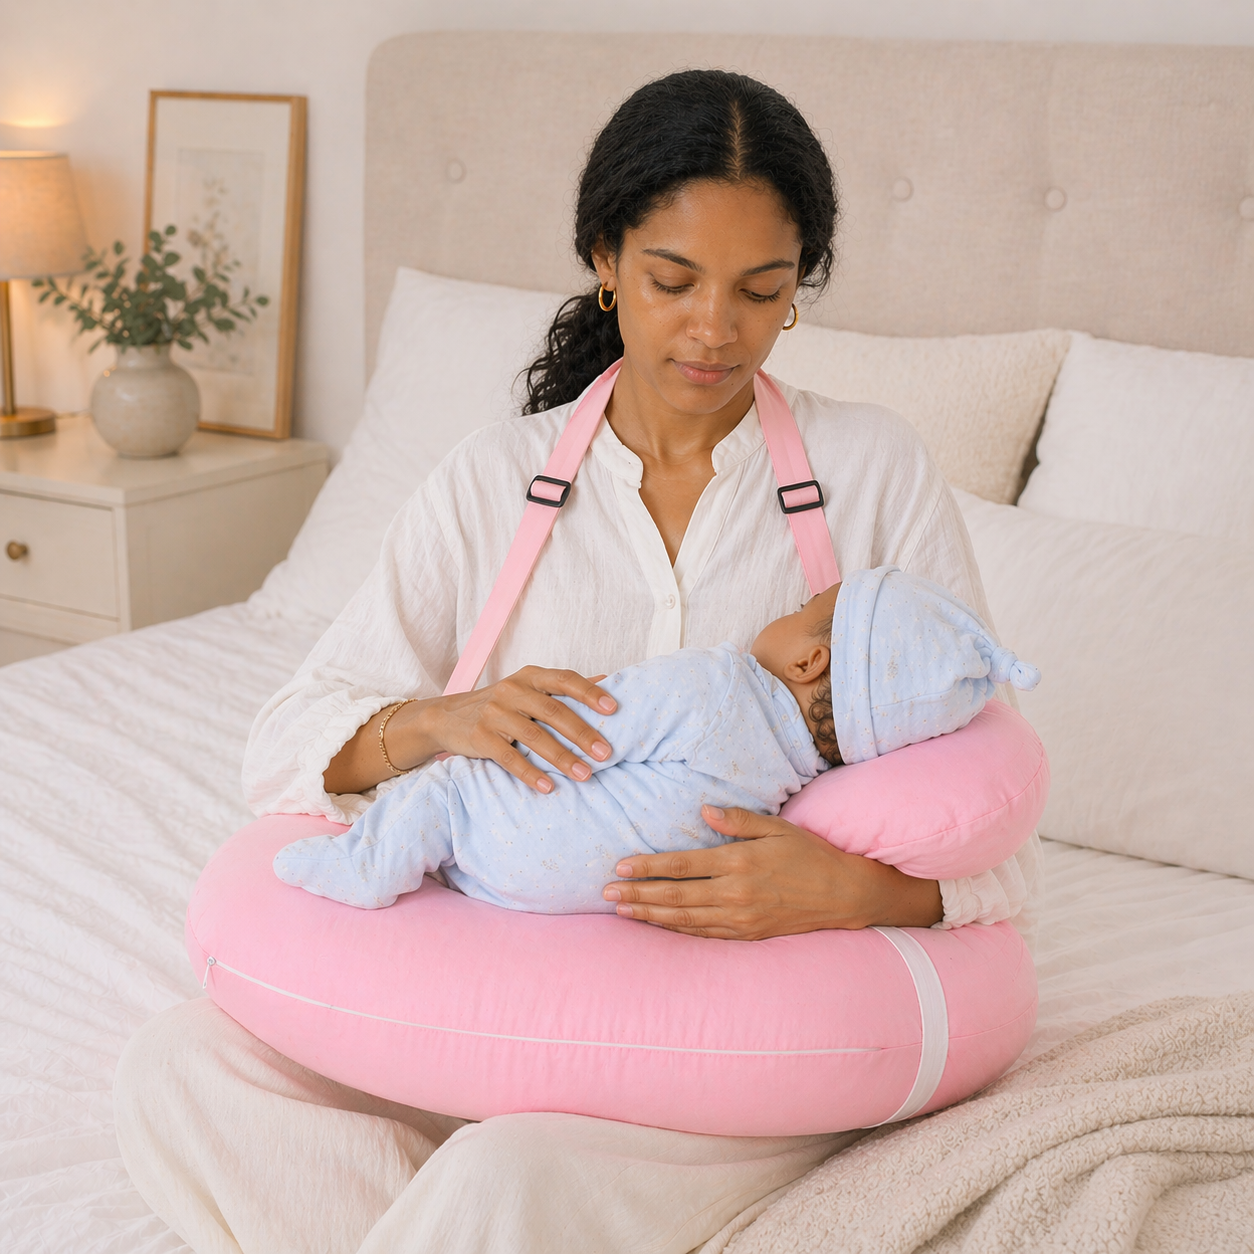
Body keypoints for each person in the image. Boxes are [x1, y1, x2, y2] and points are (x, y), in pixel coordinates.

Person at [114, 69, 1041, 1254]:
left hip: (738, 1029)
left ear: (797, 291)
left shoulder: (872, 473)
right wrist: (439, 724)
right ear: (604, 260)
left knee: (509, 1177)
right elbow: (287, 743)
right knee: (179, 1069)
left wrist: (853, 891)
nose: (716, 329)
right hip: (487, 985)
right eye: (672, 281)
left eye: (761, 291)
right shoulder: (492, 480)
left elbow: (993, 831)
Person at [272, 569, 1040, 914]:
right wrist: (438, 717)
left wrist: (504, 739)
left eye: (806, 604)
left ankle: (362, 866)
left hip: (506, 835)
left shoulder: (718, 681)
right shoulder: (787, 782)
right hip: (587, 895)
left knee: (445, 793)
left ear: (810, 659)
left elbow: (598, 721)